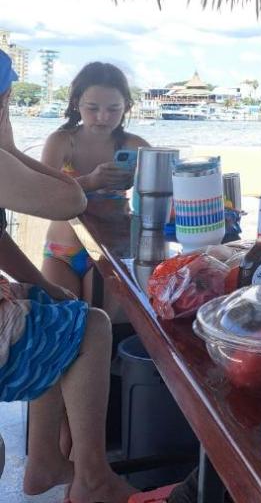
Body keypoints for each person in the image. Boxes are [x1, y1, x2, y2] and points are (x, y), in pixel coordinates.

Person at [0, 50, 136, 503]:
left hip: (98, 252)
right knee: (89, 326)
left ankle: (46, 462)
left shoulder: (134, 142)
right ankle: (88, 477)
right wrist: (8, 145)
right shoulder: (50, 144)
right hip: (64, 247)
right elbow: (66, 199)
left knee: (61, 318)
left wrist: (42, 287)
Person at [42, 62, 149, 299]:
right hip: (62, 252)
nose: (103, 117)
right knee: (64, 324)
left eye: (113, 109)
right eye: (92, 108)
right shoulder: (61, 141)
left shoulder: (135, 145)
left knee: (102, 326)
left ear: (126, 107)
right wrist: (91, 181)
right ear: (76, 103)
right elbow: (43, 196)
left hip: (112, 251)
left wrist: (141, 182)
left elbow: (162, 191)